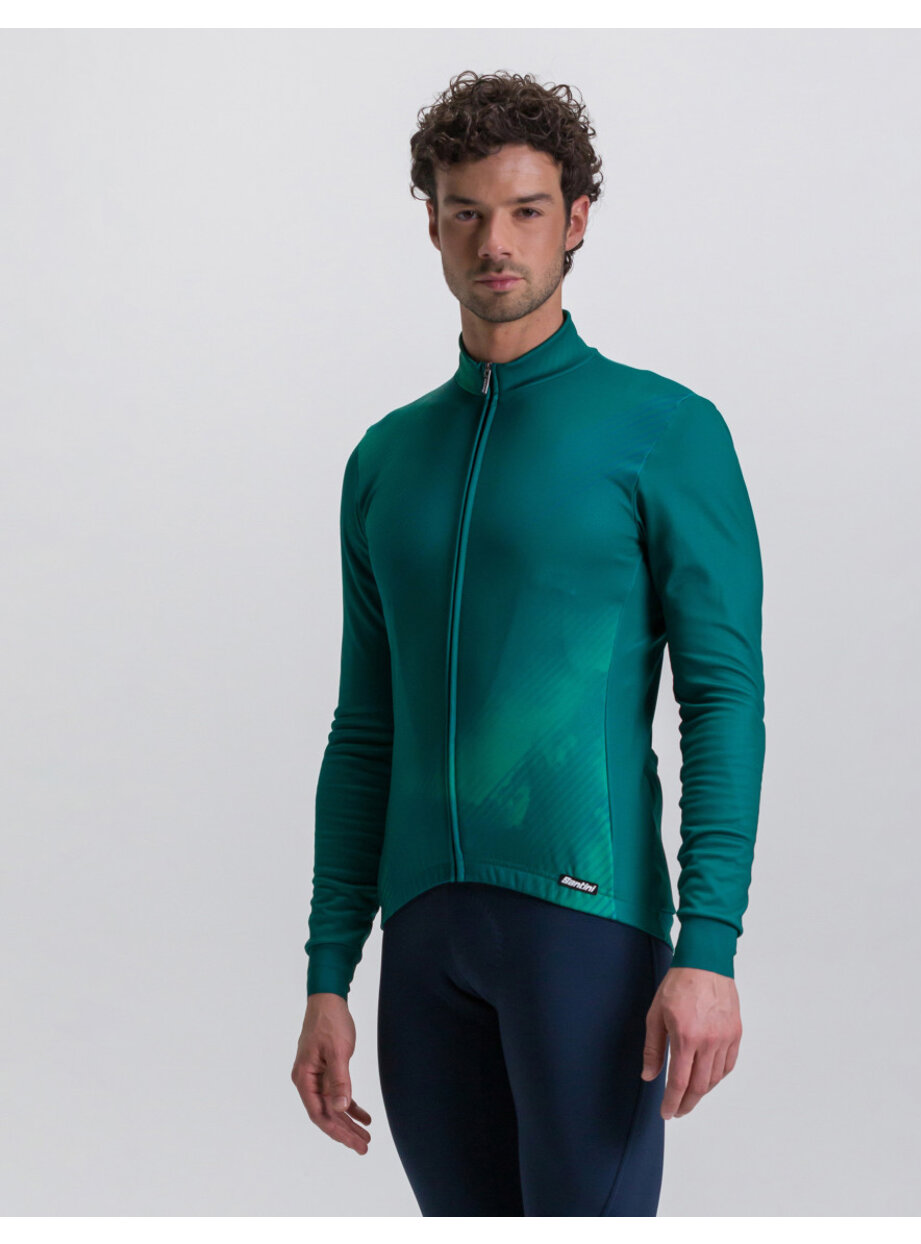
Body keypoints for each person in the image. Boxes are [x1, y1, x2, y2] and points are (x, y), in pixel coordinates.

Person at [290, 69, 766, 1217]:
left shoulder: (663, 431)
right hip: (424, 945)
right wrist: (327, 971)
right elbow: (365, 726)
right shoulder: (384, 459)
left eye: (525, 210)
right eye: (466, 211)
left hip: (585, 934)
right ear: (433, 223)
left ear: (577, 218)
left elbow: (722, 698)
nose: (494, 242)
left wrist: (707, 947)